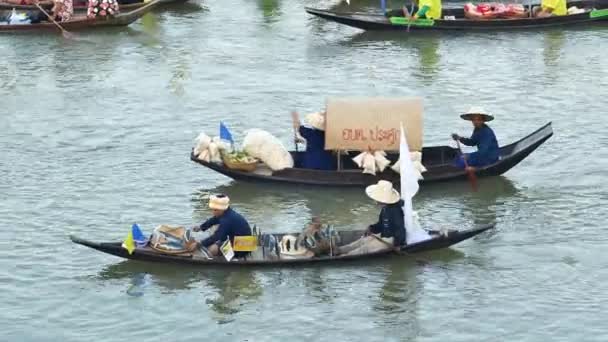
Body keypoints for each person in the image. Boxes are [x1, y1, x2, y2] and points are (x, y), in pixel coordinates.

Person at [338, 180, 406, 256]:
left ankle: (345, 256)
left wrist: (397, 244)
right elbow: (380, 225)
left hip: (391, 239)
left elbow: (401, 230)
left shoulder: (396, 210)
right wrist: (371, 228)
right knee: (362, 241)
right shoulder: (385, 208)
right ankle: (339, 250)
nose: (376, 200)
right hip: (384, 236)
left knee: (365, 248)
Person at [451, 107, 499, 172]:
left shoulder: (487, 132)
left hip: (490, 157)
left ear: (483, 120)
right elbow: (472, 142)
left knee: (461, 162)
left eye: (478, 119)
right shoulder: (477, 129)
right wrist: (459, 138)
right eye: (474, 119)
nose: (475, 122)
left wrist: (469, 156)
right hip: (482, 155)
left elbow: (483, 151)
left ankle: (475, 168)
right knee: (458, 158)